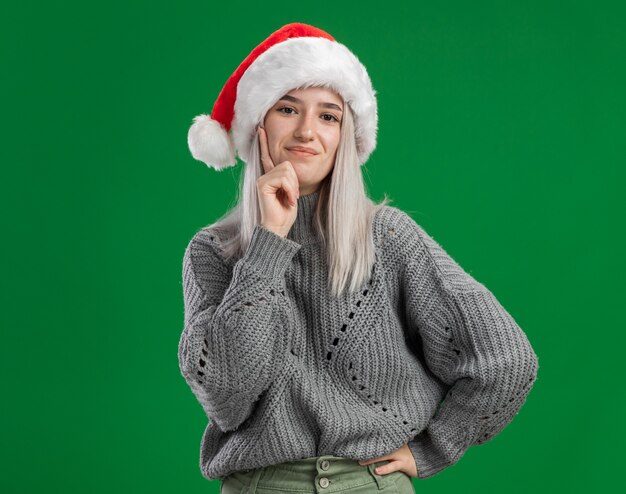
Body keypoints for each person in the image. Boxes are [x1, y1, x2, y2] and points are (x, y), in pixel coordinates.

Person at [178, 22, 539, 494]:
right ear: (257, 126)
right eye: (288, 108)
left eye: (328, 116)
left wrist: (432, 448)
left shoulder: (387, 238)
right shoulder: (212, 253)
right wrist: (268, 242)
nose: (307, 130)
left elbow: (507, 360)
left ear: (345, 135)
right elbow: (226, 396)